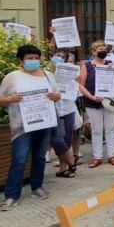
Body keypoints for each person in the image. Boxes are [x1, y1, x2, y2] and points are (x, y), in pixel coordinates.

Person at [0, 45, 63, 211]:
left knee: (40, 157)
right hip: (22, 126)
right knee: (19, 159)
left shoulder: (48, 75)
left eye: (35, 58)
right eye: (29, 58)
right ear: (21, 60)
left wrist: (55, 96)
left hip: (44, 122)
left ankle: (37, 187)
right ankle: (11, 195)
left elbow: (57, 93)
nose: (33, 61)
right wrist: (11, 99)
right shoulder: (13, 77)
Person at [77, 40, 114, 167]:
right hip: (93, 102)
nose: (104, 51)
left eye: (105, 49)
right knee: (96, 130)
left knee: (111, 128)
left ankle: (112, 155)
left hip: (109, 101)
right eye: (101, 49)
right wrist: (91, 96)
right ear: (94, 51)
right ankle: (97, 157)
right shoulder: (87, 66)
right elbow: (81, 86)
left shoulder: (110, 64)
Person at [48, 49, 79, 179]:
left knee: (66, 140)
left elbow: (77, 90)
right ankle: (72, 163)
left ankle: (63, 168)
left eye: (62, 56)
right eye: (57, 55)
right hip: (51, 111)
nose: (59, 58)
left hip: (67, 108)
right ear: (51, 57)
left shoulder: (71, 72)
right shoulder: (45, 73)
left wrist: (76, 82)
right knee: (56, 140)